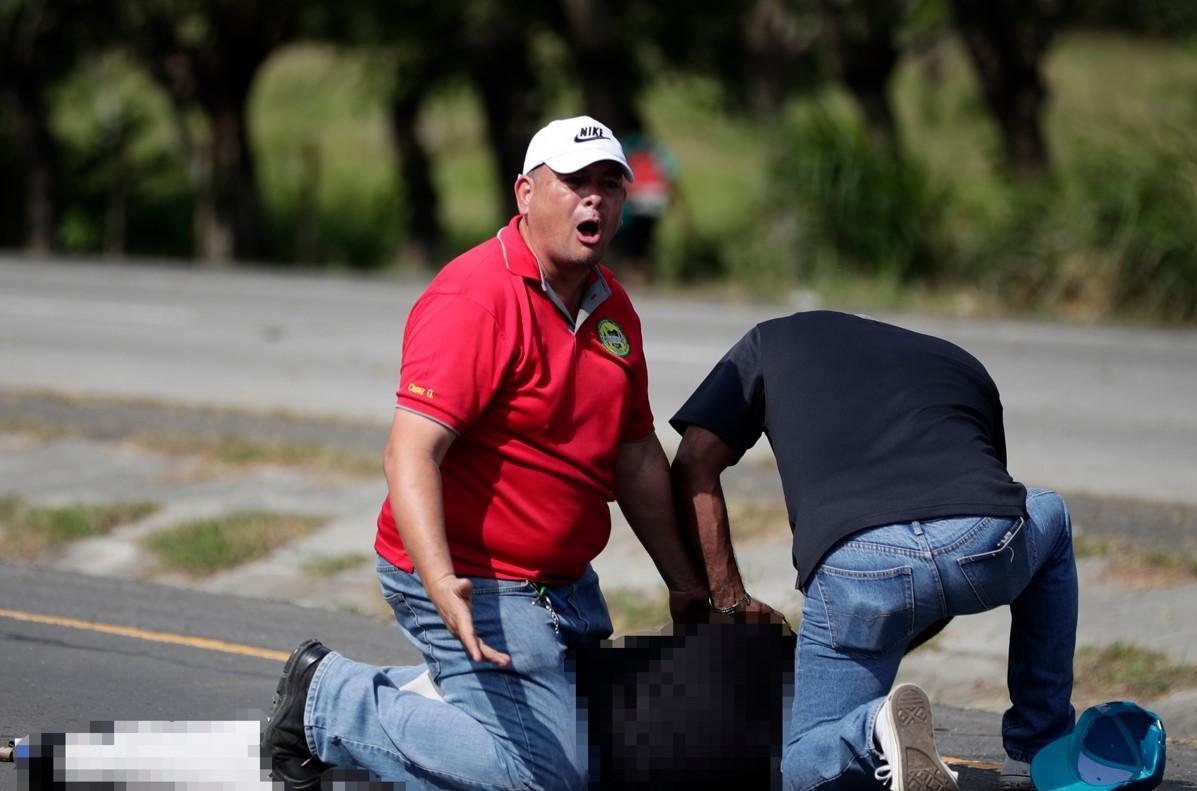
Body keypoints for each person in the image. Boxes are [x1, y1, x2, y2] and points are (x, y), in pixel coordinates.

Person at [261, 115, 709, 790]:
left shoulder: (612, 307)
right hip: (474, 575)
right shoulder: (475, 296)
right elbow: (408, 454)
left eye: (609, 183)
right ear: (525, 193)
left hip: (559, 589)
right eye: (574, 182)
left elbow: (636, 455)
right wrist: (440, 583)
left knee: (621, 759)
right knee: (548, 778)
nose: (595, 198)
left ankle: (440, 702)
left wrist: (685, 582)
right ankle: (327, 701)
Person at [669, 310, 1078, 791]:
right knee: (1050, 511)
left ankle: (873, 731)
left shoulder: (770, 340)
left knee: (803, 762)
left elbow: (694, 462)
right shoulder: (962, 364)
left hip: (854, 565)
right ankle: (1038, 749)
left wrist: (729, 601)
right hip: (980, 543)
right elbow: (970, 527)